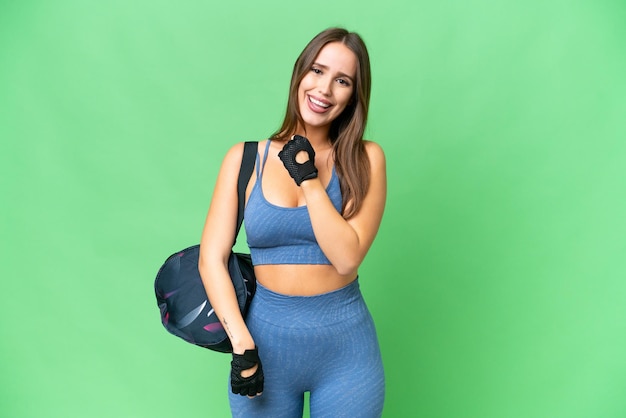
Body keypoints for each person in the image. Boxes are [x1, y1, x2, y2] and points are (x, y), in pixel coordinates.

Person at [198, 27, 386, 418]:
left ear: (353, 95)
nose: (324, 90)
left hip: (346, 353)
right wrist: (240, 342)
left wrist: (310, 181)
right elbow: (211, 259)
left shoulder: (366, 159)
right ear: (300, 74)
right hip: (263, 349)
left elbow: (347, 259)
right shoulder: (244, 159)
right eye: (317, 71)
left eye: (342, 81)